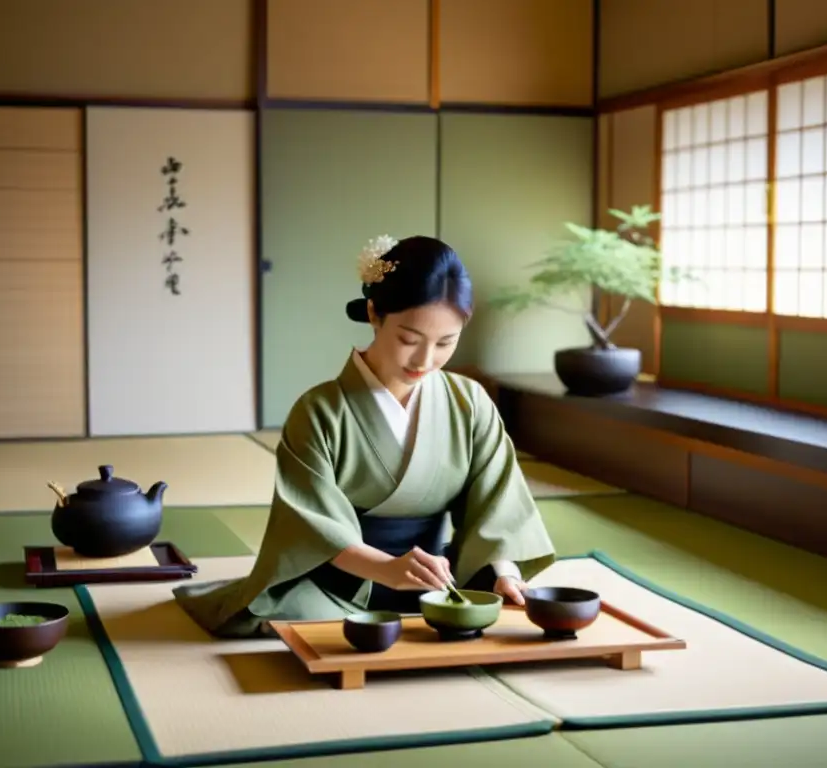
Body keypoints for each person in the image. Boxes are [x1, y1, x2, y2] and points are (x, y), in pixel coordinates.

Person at [173, 234, 557, 638]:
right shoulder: (320, 411)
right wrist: (385, 569)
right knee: (296, 620)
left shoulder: (471, 403)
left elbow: (498, 503)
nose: (425, 360)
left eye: (446, 342)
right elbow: (308, 525)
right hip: (339, 582)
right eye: (409, 340)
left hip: (438, 579)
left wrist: (504, 572)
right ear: (374, 313)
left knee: (494, 609)